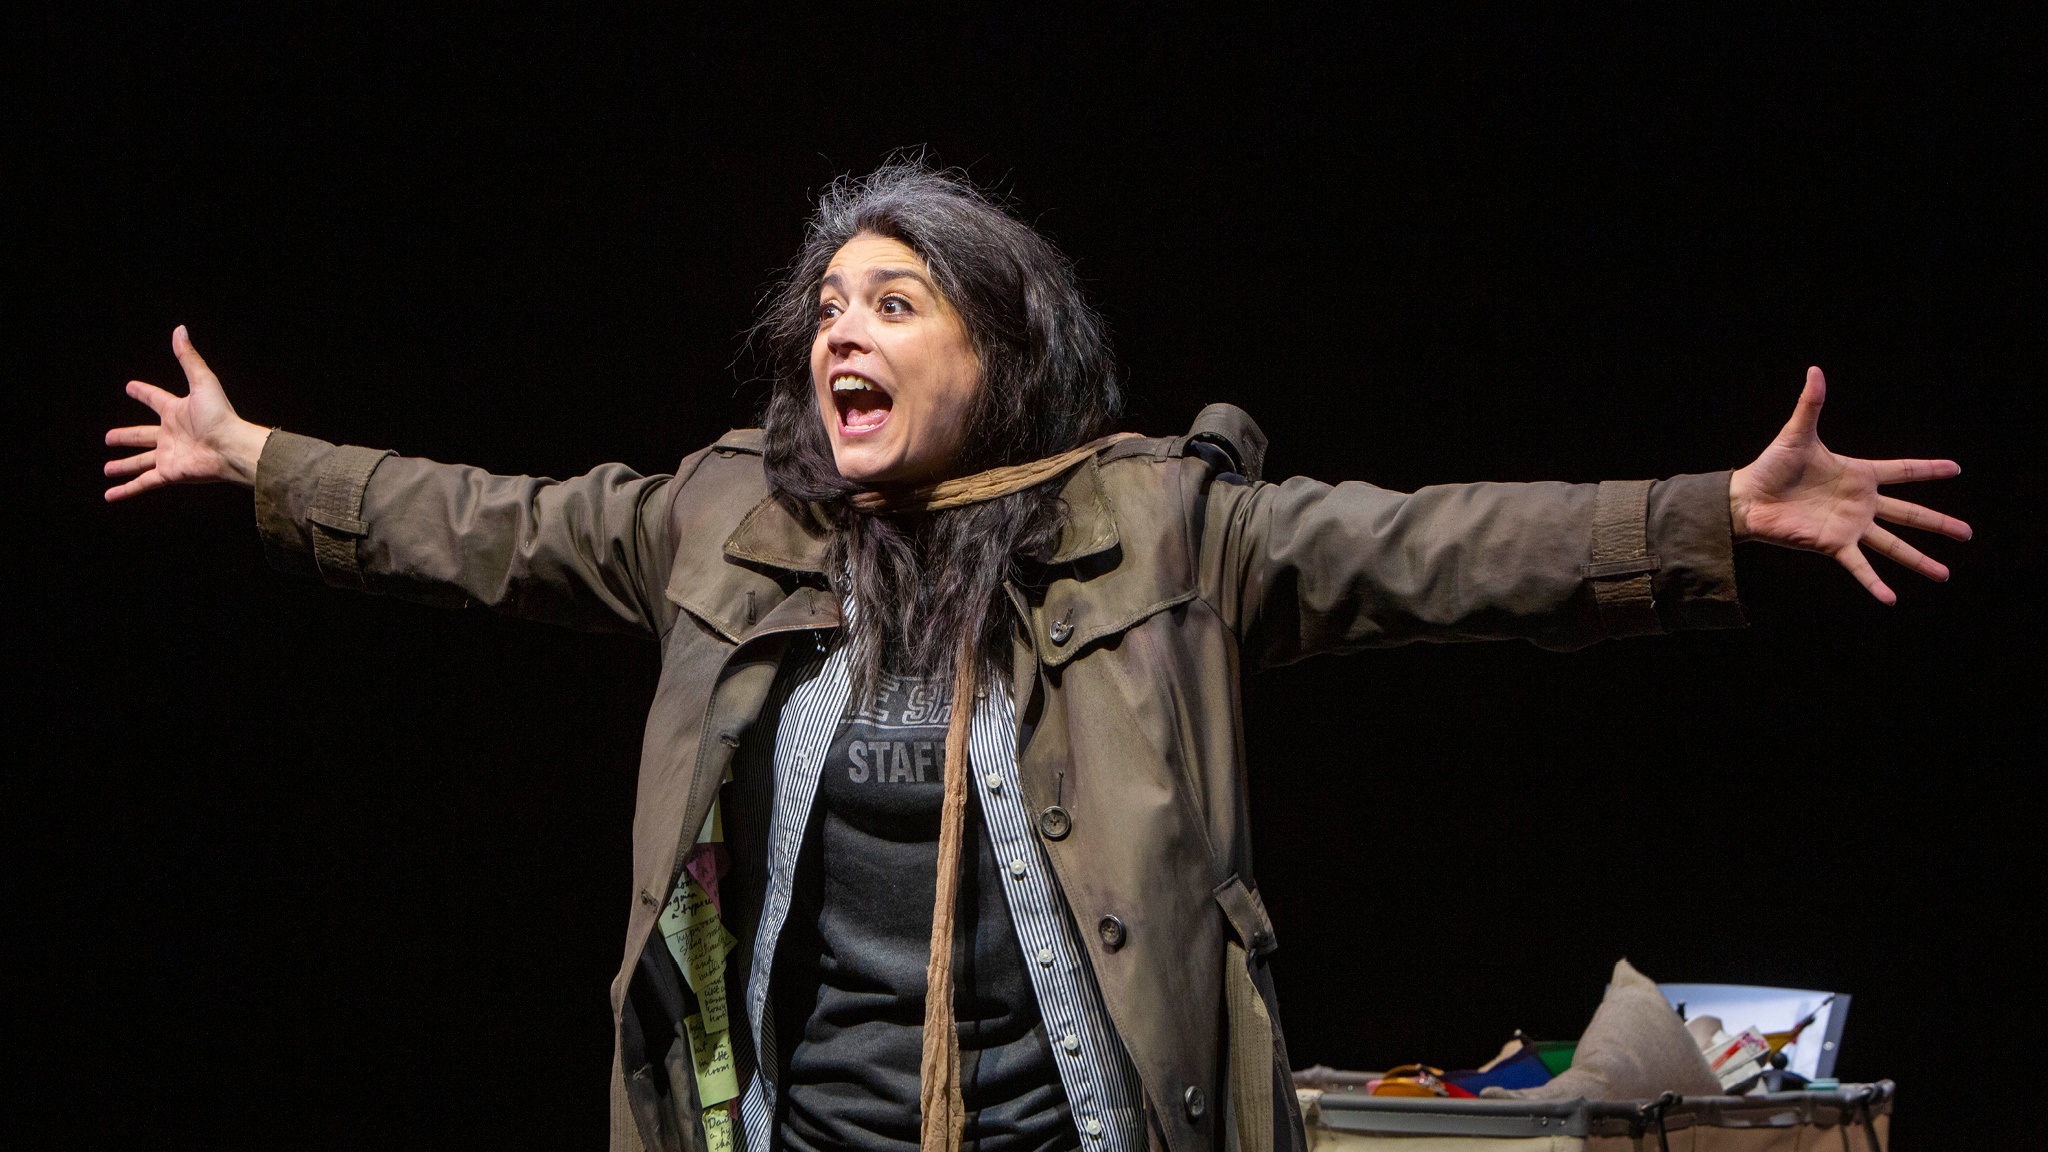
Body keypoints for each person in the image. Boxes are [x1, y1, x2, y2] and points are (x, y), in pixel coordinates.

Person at [102, 163, 1968, 1152]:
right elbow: (485, 524)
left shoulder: (1155, 527)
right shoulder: (723, 525)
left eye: (895, 303)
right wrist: (262, 459)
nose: (844, 329)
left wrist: (1711, 512)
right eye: (828, 305)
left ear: (996, 353)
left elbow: (1434, 546)